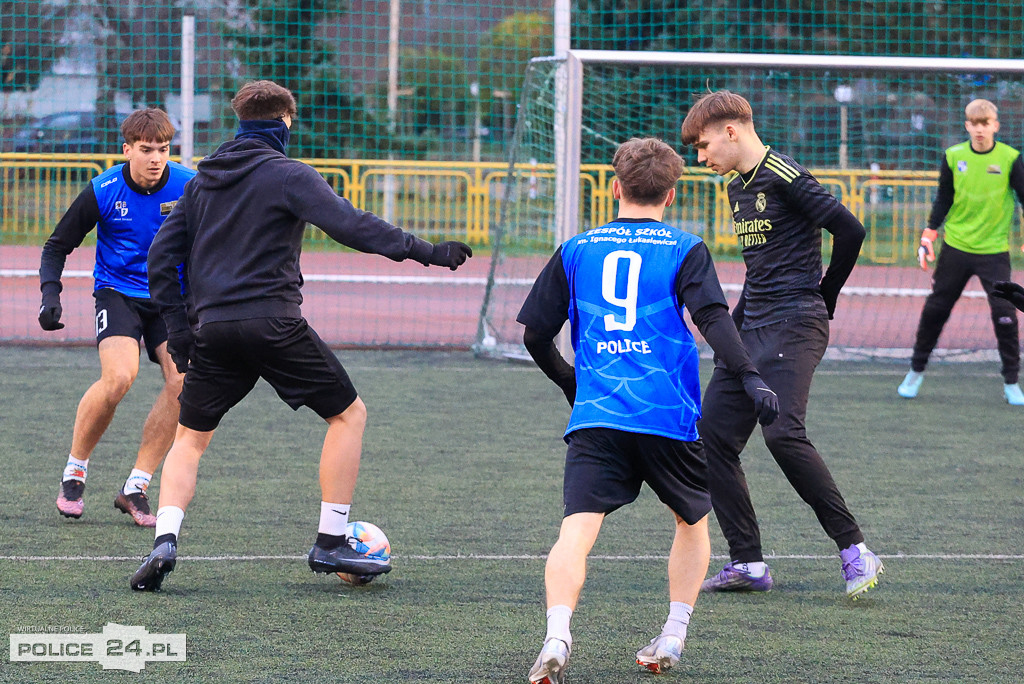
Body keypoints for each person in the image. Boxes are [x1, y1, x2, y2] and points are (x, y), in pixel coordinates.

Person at [130, 80, 473, 591]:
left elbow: (161, 257)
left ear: (241, 121)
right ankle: (330, 540)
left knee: (189, 439)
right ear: (285, 122)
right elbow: (351, 225)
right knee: (348, 414)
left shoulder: (201, 184)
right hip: (273, 322)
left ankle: (165, 540)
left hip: (215, 330)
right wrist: (427, 250)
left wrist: (179, 332)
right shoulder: (288, 174)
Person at [518, 137, 779, 682]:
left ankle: (557, 635)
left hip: (598, 415)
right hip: (666, 415)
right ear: (672, 193)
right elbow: (714, 322)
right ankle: (673, 634)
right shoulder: (685, 248)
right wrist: (751, 377)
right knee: (692, 521)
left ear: (615, 187)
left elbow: (536, 336)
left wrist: (571, 382)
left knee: (575, 531)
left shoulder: (576, 249)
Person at [680, 90, 883, 599]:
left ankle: (855, 550)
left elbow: (850, 231)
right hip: (754, 325)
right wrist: (730, 334)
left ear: (732, 131)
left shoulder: (784, 174)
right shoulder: (736, 189)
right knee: (713, 437)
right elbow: (759, 273)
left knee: (782, 434)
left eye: (704, 147)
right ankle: (747, 563)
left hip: (796, 322)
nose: (702, 160)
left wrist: (825, 297)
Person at [39, 108, 196, 527]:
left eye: (163, 149)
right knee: (120, 376)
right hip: (118, 293)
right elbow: (56, 246)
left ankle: (136, 487)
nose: (156, 158)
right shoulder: (103, 189)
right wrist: (49, 295)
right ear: (127, 150)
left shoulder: (188, 186)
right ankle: (75, 471)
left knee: (184, 383)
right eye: (146, 150)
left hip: (170, 298)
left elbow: (209, 244)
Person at [898, 99, 1024, 406]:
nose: (980, 129)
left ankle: (1011, 381)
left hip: (994, 251)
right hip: (955, 247)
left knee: (1005, 314)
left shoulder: (1010, 159)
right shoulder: (953, 156)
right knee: (936, 310)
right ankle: (915, 371)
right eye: (974, 123)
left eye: (985, 123)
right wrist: (930, 231)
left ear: (995, 125)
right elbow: (944, 197)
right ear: (966, 125)